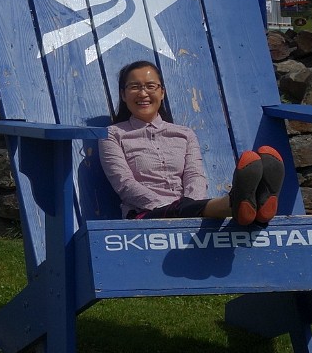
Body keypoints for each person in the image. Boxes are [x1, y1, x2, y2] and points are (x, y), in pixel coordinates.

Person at [98, 59, 284, 227]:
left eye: (150, 86)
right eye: (134, 87)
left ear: (162, 92)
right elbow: (124, 184)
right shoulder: (112, 135)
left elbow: (195, 175)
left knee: (198, 206)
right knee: (203, 209)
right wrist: (172, 207)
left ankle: (252, 204)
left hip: (192, 209)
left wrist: (190, 205)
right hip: (144, 214)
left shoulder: (184, 134)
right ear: (123, 95)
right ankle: (243, 203)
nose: (143, 93)